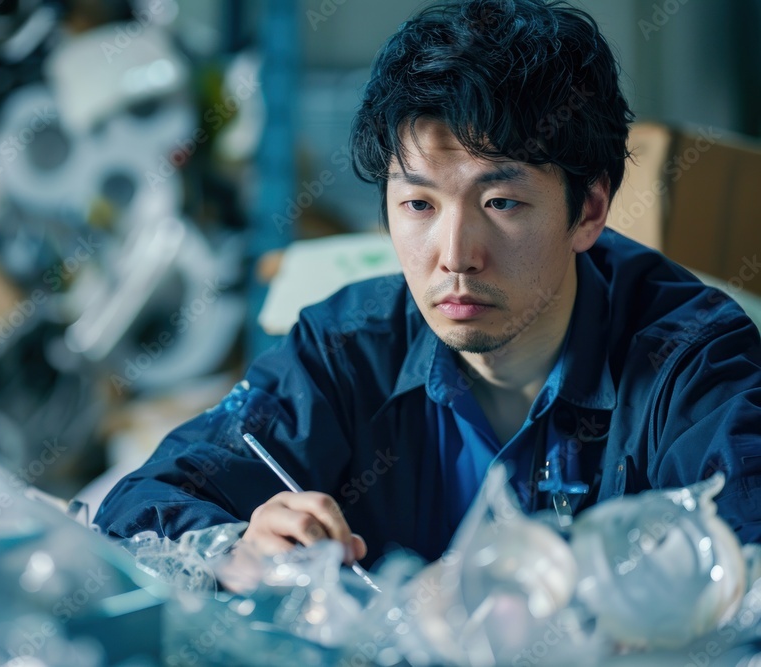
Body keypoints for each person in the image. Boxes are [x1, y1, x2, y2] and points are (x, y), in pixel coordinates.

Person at [94, 0, 761, 567]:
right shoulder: (345, 348)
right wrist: (237, 549)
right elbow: (138, 507)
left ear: (588, 209)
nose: (455, 256)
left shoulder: (689, 358)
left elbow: (745, 566)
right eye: (419, 205)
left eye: (500, 203)